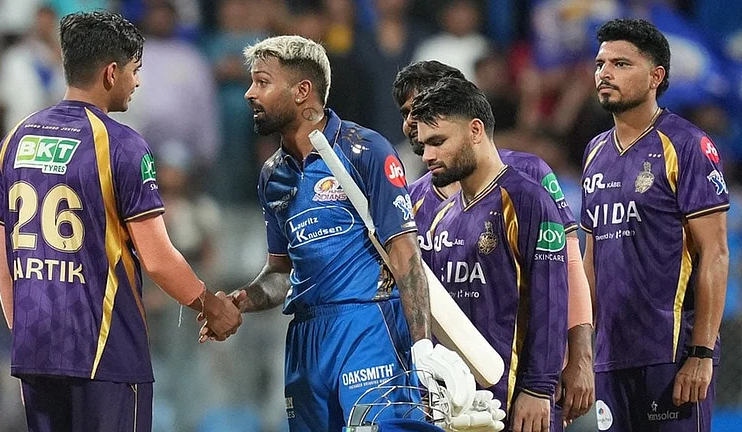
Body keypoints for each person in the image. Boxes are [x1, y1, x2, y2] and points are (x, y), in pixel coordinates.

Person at [0, 11, 243, 432]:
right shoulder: (123, 146)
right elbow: (158, 259)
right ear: (111, 73)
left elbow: (2, 255)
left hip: (36, 352)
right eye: (135, 70)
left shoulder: (16, 139)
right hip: (104, 353)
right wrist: (209, 304)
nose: (137, 82)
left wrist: (24, 331)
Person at [237, 35, 432, 431]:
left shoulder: (366, 150)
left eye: (262, 82)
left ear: (302, 91)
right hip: (306, 339)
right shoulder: (272, 175)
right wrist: (241, 300)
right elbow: (280, 273)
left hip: (369, 326)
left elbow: (406, 254)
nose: (249, 94)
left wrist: (423, 347)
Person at [393, 60, 593, 425]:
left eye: (428, 107)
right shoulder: (414, 198)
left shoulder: (527, 180)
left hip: (517, 382)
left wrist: (569, 364)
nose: (414, 121)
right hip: (447, 393)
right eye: (409, 113)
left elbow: (565, 273)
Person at [582, 18, 730, 431]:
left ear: (655, 76)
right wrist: (578, 351)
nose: (604, 73)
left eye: (621, 64)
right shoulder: (594, 152)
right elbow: (591, 259)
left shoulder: (686, 145)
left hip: (673, 357)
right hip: (610, 360)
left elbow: (715, 253)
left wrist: (701, 353)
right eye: (600, 63)